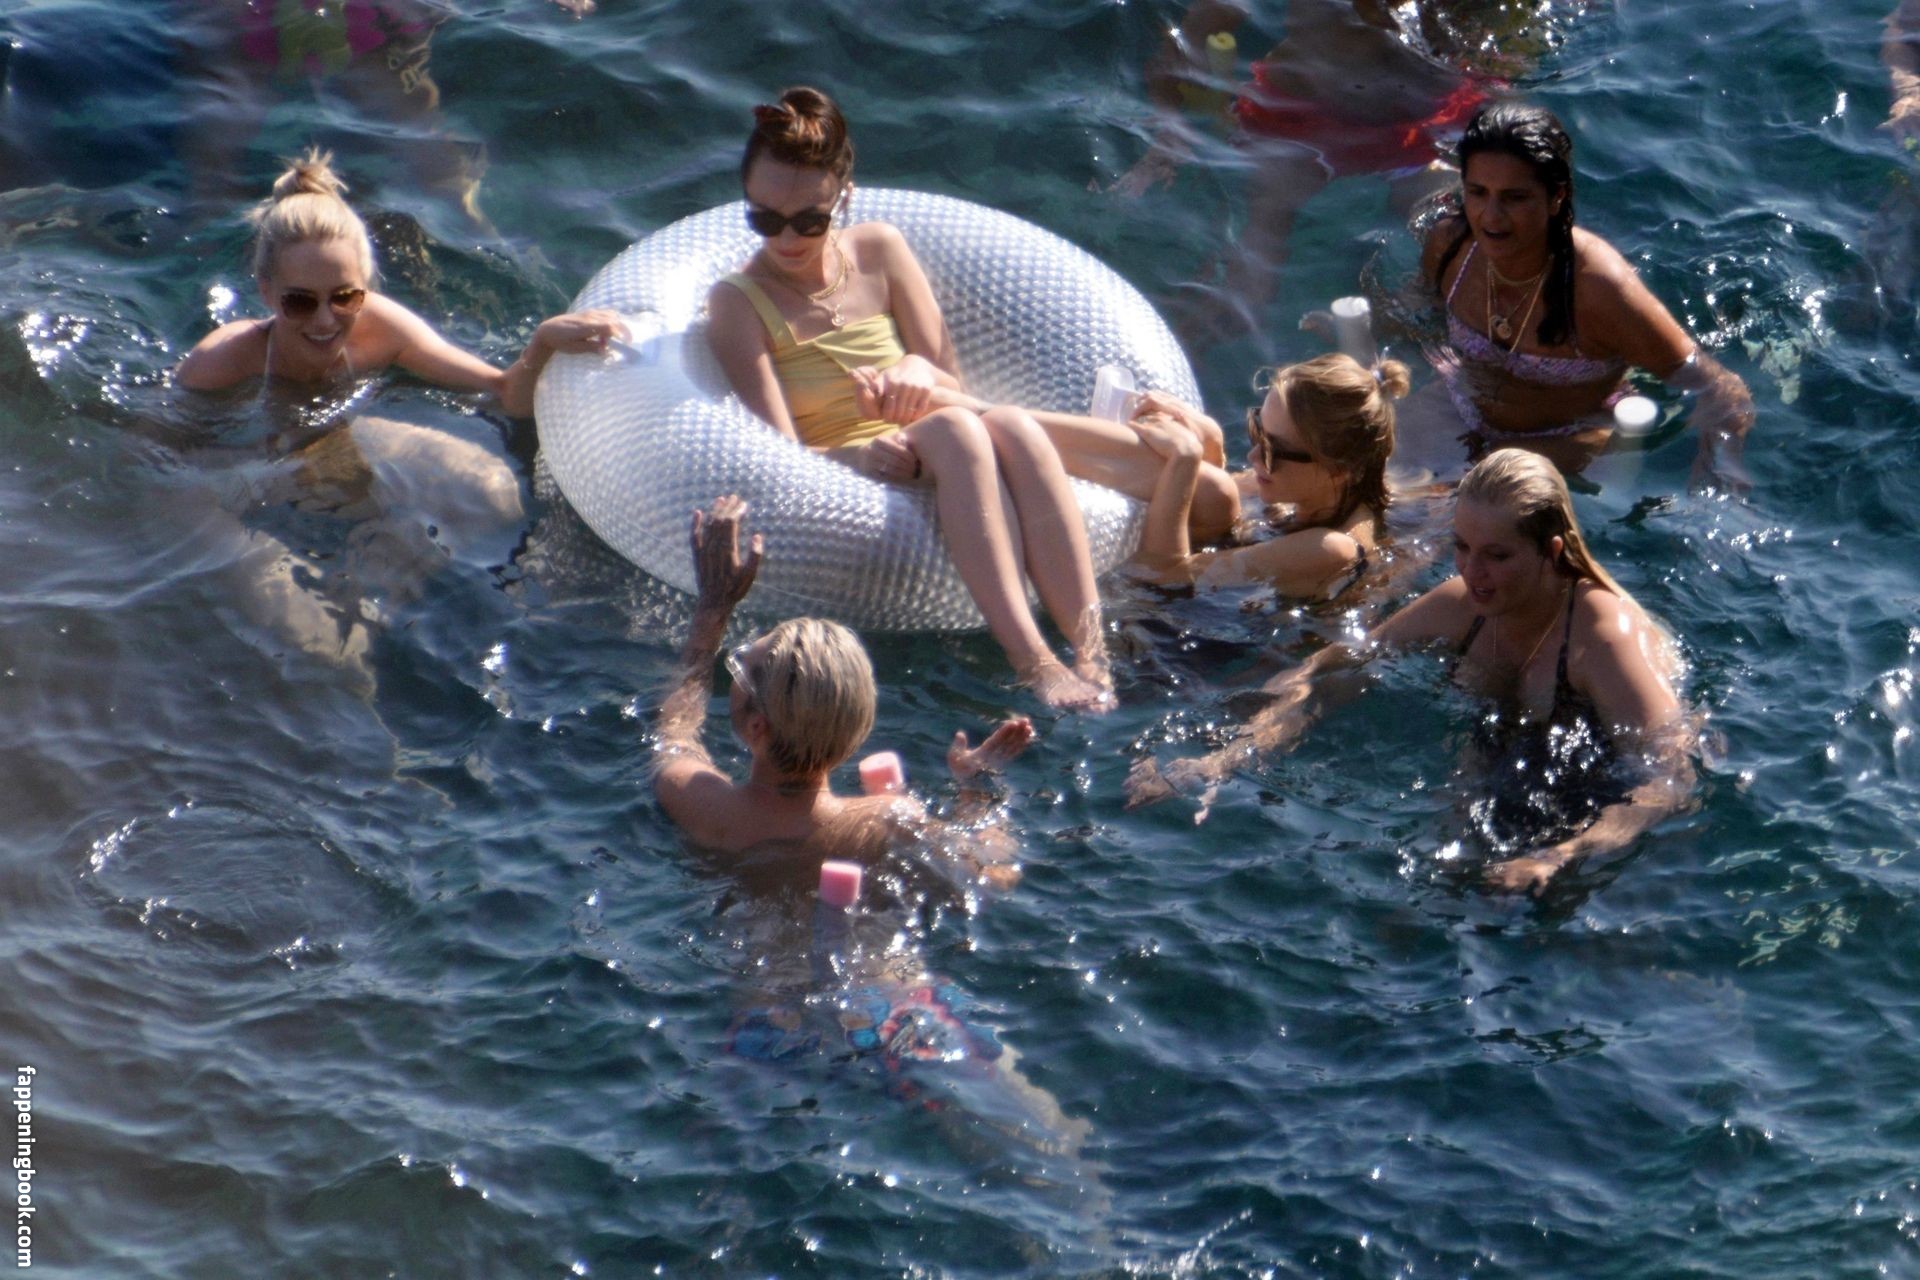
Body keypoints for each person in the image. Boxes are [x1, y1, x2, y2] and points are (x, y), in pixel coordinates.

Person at [706, 86, 1235, 710]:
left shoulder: (877, 250)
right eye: (764, 219)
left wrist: (915, 370)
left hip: (941, 424)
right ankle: (1034, 662)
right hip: (857, 463)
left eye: (809, 220)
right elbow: (778, 454)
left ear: (842, 197)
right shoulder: (738, 301)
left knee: (1011, 424)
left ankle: (1093, 656)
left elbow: (949, 383)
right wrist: (861, 454)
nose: (786, 239)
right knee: (962, 428)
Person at [1127, 448, 1694, 895]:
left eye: (1497, 555)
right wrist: (1224, 759)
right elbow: (1326, 675)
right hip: (1506, 753)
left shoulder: (1604, 638)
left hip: (1600, 786)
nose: (1472, 572)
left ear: (1551, 552)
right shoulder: (1463, 605)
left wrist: (1558, 858)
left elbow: (1670, 778)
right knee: (1436, 879)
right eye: (1462, 547)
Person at [176, 149, 623, 531]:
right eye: (300, 301)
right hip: (259, 466)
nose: (325, 320)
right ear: (266, 292)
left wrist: (542, 345)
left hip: (345, 439)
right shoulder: (223, 360)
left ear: (366, 287)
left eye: (345, 297)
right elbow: (166, 454)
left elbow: (505, 394)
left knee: (496, 493)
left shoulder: (383, 328)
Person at [653, 494, 1033, 881]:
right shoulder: (887, 820)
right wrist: (976, 785)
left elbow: (675, 730)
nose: (734, 670)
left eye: (739, 667)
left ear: (757, 727)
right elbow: (997, 874)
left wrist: (714, 607)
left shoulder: (700, 801)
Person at [1115, 0, 1534, 336]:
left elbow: (1503, 76)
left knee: (1464, 240)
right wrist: (1169, 132)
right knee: (1251, 272)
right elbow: (1189, 36)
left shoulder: (1459, 11)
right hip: (1298, 124)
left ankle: (1411, 333)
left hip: (1418, 130)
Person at [1406, 100, 1756, 492]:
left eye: (1514, 197)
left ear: (1556, 196)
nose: (1491, 216)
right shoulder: (1450, 249)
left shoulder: (1599, 289)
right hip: (1456, 412)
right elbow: (1414, 322)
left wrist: (1719, 473)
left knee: (1441, 509)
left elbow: (1722, 388)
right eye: (1478, 192)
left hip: (1567, 443)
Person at [1125, 353, 1408, 596]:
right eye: (1257, 430)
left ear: (1338, 469)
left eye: (1274, 449)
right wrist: (1212, 444)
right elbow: (1215, 495)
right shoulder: (1301, 487)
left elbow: (1162, 576)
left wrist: (1184, 457)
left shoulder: (1331, 549)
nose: (1253, 456)